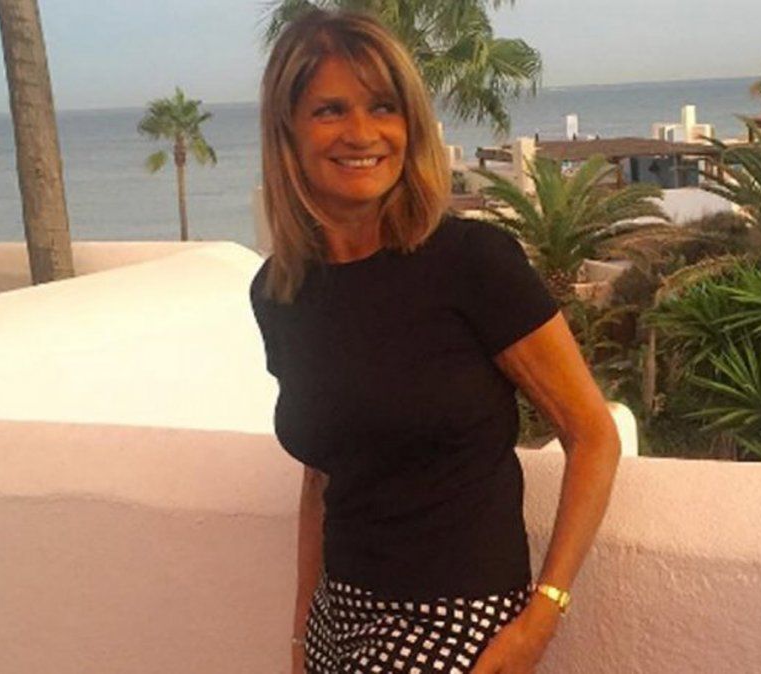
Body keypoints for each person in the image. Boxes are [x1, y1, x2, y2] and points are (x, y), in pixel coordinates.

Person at [249, 9, 620, 674]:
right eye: (330, 110)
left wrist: (542, 616)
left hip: (455, 617)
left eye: (382, 107)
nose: (362, 133)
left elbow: (592, 434)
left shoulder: (472, 263)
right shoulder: (280, 292)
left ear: (410, 124)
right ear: (288, 130)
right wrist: (303, 637)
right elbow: (321, 476)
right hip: (340, 617)